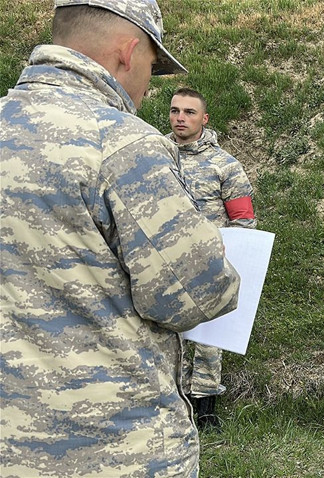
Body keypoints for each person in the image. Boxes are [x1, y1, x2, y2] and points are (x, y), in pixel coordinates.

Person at [0, 1, 241, 477]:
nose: (149, 88)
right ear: (128, 53)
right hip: (109, 446)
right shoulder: (122, 144)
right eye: (152, 67)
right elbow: (196, 295)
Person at [166, 87, 257, 430]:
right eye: (175, 111)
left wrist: (233, 258)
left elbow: (243, 219)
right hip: (164, 264)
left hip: (209, 265)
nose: (180, 118)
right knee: (168, 336)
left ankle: (205, 410)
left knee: (208, 338)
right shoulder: (154, 156)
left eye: (189, 112)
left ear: (204, 119)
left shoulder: (225, 165)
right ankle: (171, 405)